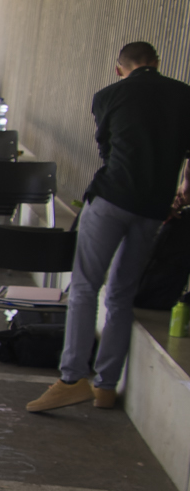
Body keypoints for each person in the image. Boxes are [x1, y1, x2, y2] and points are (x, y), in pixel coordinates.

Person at [30, 41, 190, 413]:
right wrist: (181, 190)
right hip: (153, 209)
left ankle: (71, 379)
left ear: (120, 68)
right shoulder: (185, 96)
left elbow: (108, 149)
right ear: (157, 63)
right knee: (121, 294)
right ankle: (106, 386)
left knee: (86, 287)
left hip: (113, 199)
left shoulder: (108, 96)